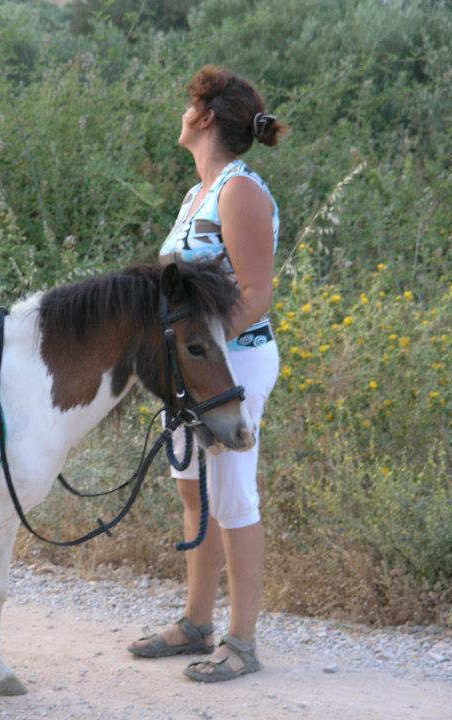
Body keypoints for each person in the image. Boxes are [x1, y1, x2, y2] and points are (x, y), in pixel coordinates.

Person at [127, 66, 288, 682]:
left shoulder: (239, 191)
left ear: (204, 118)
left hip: (232, 364)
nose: (181, 114)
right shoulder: (198, 192)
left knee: (233, 494)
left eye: (187, 105)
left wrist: (206, 355)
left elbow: (256, 292)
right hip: (191, 369)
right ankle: (197, 623)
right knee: (192, 488)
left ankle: (242, 642)